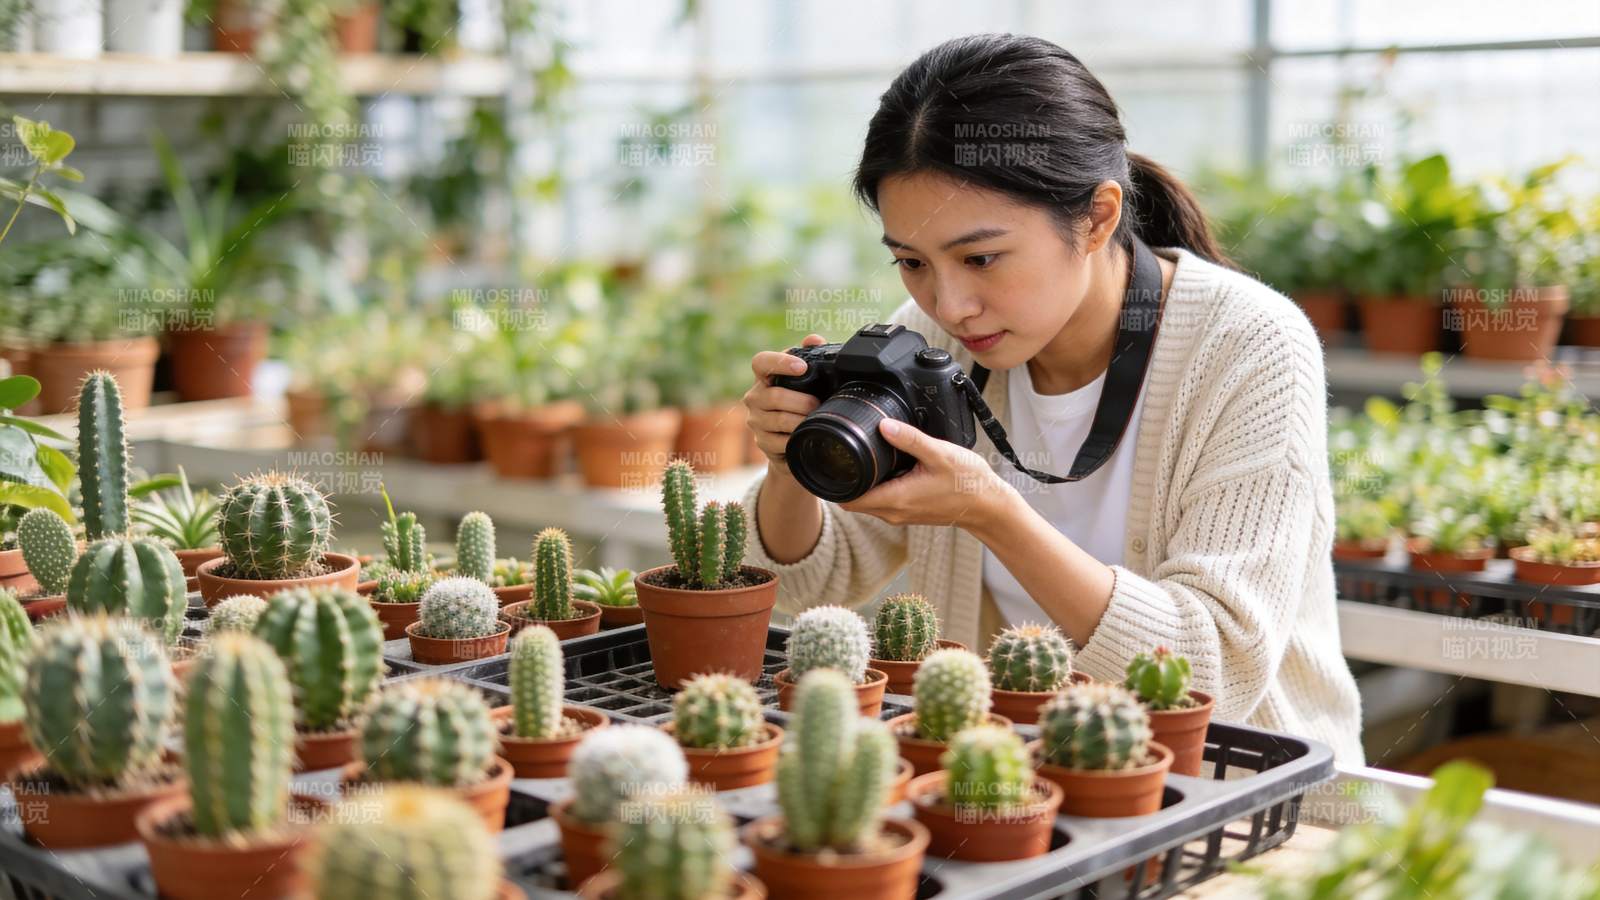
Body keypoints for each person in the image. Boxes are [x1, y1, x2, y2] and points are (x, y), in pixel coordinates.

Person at [739, 33, 1364, 763]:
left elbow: (1209, 674)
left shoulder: (1249, 346)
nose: (951, 303)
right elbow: (809, 580)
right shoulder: (933, 341)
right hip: (1016, 784)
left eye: (980, 258)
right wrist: (793, 465)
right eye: (911, 261)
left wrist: (992, 512)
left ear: (1098, 217)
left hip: (1235, 794)